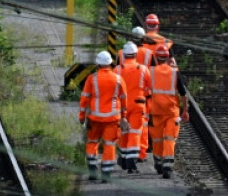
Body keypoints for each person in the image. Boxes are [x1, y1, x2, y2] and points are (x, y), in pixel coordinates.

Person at [79, 51, 128, 182]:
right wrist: (123, 116)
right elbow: (124, 99)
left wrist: (82, 116)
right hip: (112, 120)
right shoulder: (118, 79)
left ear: (98, 64)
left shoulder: (92, 78)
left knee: (92, 142)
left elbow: (84, 99)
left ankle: (92, 168)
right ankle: (106, 173)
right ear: (110, 63)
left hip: (94, 119)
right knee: (109, 145)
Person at [150, 45, 189, 179]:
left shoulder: (151, 71)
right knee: (169, 138)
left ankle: (158, 162)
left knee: (157, 138)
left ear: (156, 57)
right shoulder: (174, 72)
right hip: (172, 111)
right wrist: (185, 111)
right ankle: (167, 165)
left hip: (155, 111)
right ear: (167, 57)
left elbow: (145, 92)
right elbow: (183, 94)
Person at [114, 42, 151, 174]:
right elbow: (149, 89)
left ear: (124, 54)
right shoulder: (143, 69)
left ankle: (123, 158)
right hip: (137, 105)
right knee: (135, 133)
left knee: (123, 132)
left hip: (121, 106)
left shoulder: (117, 69)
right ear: (136, 55)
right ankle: (131, 163)